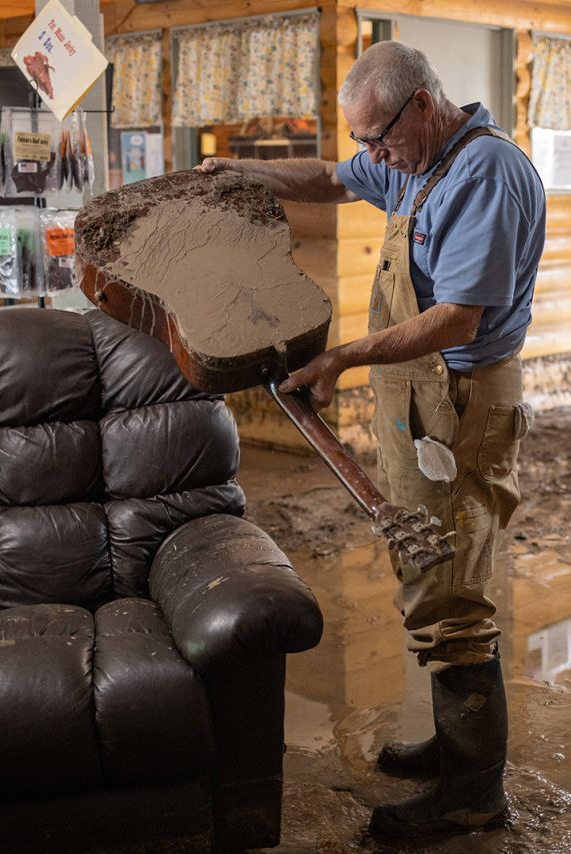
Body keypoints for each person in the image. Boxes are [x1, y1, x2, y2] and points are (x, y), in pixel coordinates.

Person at [197, 40, 545, 842]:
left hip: (461, 401)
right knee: (424, 562)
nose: (370, 156)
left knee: (452, 586)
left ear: (423, 105)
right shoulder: (412, 158)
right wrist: (243, 175)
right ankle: (454, 748)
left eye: (378, 138)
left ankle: (473, 793)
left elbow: (458, 318)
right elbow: (328, 177)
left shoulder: (483, 173)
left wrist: (343, 358)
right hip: (416, 397)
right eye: (362, 141)